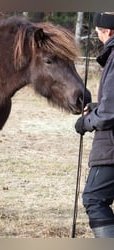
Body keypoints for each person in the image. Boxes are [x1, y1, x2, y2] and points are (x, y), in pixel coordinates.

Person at [75, 12, 114, 238]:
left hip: (110, 147)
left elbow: (110, 112)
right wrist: (99, 106)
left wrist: (87, 122)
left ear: (107, 31)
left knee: (94, 198)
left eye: (98, 31)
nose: (97, 35)